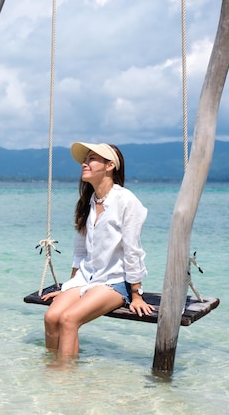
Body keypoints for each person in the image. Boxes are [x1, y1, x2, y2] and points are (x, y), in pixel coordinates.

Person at [42, 142, 154, 359]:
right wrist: (69, 287)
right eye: (85, 159)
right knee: (52, 316)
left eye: (91, 159)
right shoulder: (88, 202)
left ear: (110, 165)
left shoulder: (126, 201)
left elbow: (133, 251)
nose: (85, 163)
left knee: (68, 319)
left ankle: (64, 378)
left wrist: (136, 295)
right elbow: (81, 252)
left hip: (115, 282)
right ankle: (53, 375)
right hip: (86, 279)